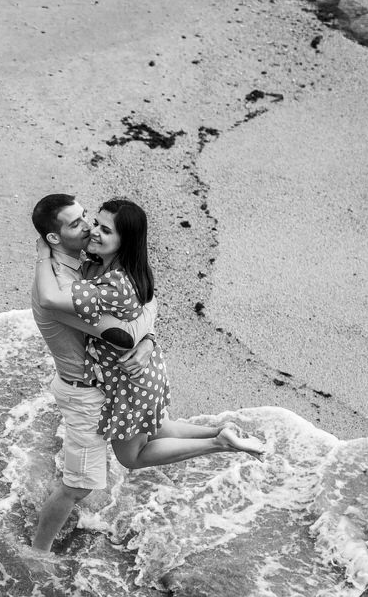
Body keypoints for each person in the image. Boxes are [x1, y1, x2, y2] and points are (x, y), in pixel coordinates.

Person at [30, 196, 263, 552]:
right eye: (79, 223)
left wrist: (147, 340)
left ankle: (36, 554)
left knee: (113, 464)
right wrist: (145, 338)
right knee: (151, 431)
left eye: (93, 222)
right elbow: (117, 323)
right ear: (54, 238)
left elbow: (130, 325)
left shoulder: (88, 267)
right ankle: (220, 436)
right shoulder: (69, 274)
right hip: (107, 384)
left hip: (117, 382)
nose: (90, 228)